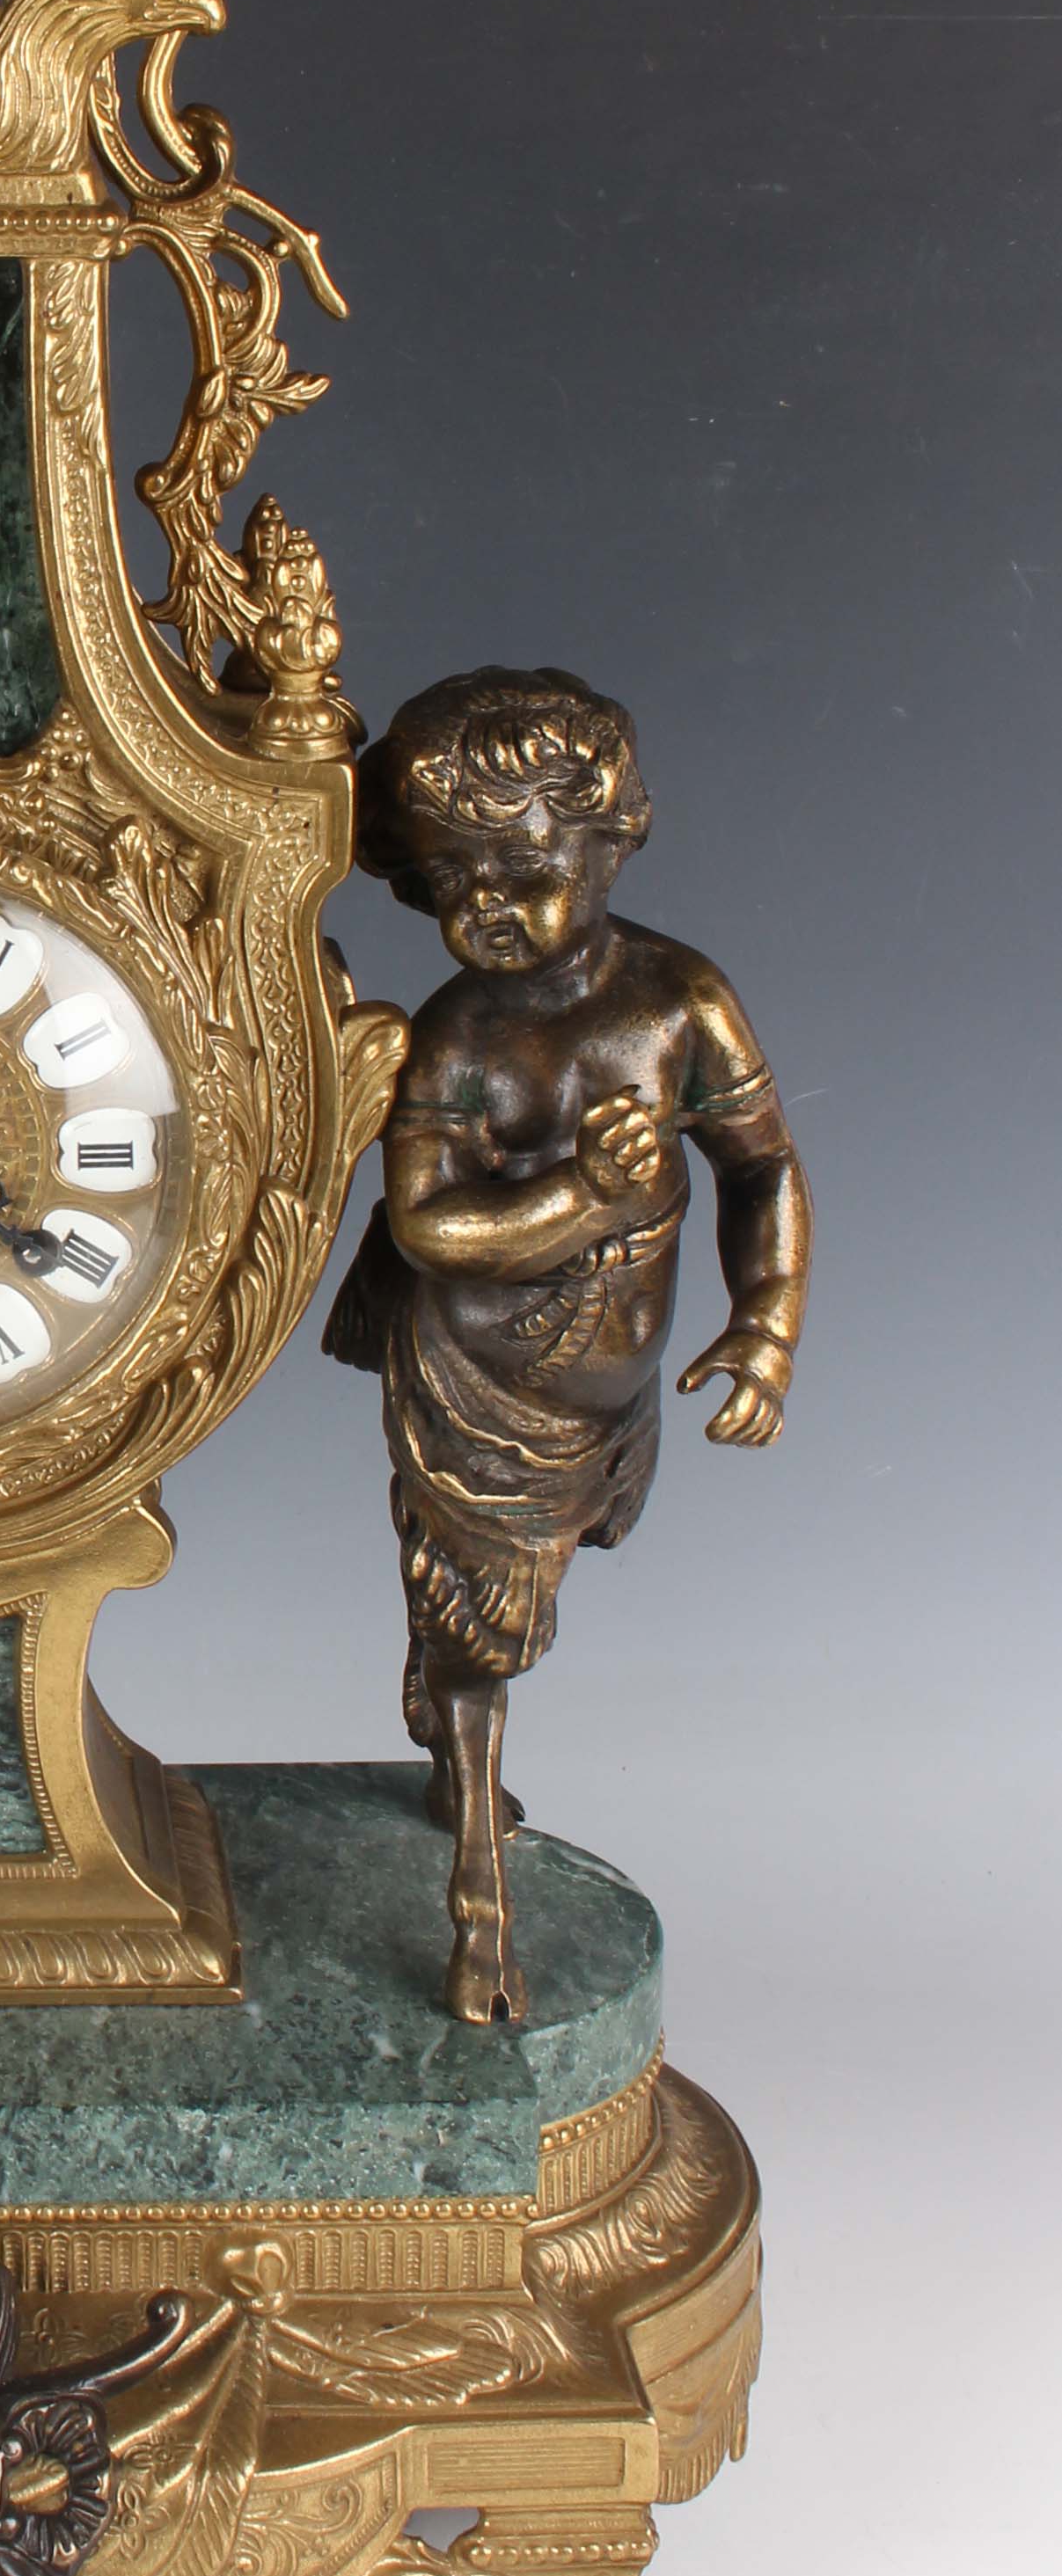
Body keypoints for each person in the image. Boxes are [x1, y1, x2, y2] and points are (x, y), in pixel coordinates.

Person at [325, 667, 810, 2025]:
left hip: (610, 1394)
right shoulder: (455, 1039)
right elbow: (428, 1227)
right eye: (448, 881)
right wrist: (585, 1198)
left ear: (610, 837)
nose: (483, 906)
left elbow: (761, 1165)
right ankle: (479, 1906)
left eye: (520, 871)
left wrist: (766, 1323)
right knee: (483, 1640)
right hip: (477, 1387)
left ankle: (443, 1711)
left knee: (490, 1619)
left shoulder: (678, 1002)